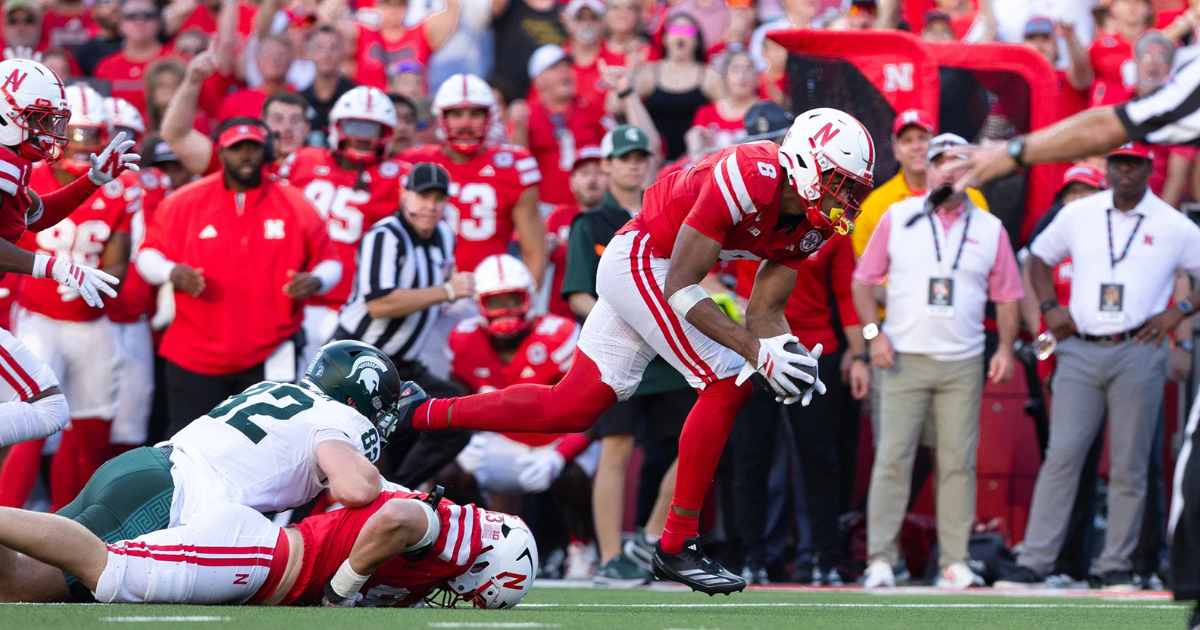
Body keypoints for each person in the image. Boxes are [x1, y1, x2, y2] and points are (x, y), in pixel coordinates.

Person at [405, 108, 876, 593]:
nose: (846, 196)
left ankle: (417, 412)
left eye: (853, 187)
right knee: (725, 384)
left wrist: (786, 355)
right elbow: (681, 286)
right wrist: (758, 354)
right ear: (801, 161)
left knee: (571, 406)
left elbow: (764, 315)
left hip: (658, 268)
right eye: (839, 180)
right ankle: (675, 545)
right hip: (644, 258)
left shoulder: (811, 225)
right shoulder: (748, 175)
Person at [0, 340, 428, 604]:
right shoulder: (340, 418)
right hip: (166, 496)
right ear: (357, 396)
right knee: (20, 587)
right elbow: (355, 488)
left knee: (16, 565)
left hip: (143, 470)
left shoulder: (279, 390)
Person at [995, 143, 1200, 591]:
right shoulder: (1080, 213)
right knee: (1062, 456)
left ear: (1150, 168)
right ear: (1108, 167)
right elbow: (1037, 258)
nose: (1125, 172)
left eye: (1134, 164)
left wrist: (1178, 310)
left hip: (1138, 349)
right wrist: (1050, 307)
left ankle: (1115, 566)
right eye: (1118, 163)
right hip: (1081, 348)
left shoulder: (1172, 223)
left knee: (1129, 464)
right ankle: (1034, 560)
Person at [852, 133, 1023, 590]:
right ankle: (881, 561)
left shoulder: (989, 226)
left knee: (957, 462)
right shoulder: (898, 215)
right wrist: (873, 337)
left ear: (972, 172)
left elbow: (1008, 295)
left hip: (962, 361)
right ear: (926, 170)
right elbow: (862, 281)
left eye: (959, 163)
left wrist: (1005, 348)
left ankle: (955, 561)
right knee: (892, 459)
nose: (949, 171)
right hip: (902, 357)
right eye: (940, 163)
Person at [0, 480, 535, 609]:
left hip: (260, 558)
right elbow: (399, 516)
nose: (460, 594)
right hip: (260, 558)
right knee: (105, 570)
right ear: (487, 564)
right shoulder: (448, 532)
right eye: (474, 589)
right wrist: (340, 591)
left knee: (18, 589)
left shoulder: (450, 536)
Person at [136, 119, 340, 434]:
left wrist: (316, 281)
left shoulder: (295, 203)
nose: (245, 156)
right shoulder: (185, 202)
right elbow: (148, 255)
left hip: (269, 352)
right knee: (191, 450)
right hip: (194, 355)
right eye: (236, 149)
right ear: (220, 151)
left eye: (253, 148)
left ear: (266, 151)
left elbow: (330, 262)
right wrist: (171, 272)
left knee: (270, 450)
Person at [557, 125, 691, 586]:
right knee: (615, 450)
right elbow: (577, 293)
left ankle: (653, 538)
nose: (634, 164)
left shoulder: (668, 216)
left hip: (668, 355)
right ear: (608, 165)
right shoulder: (590, 223)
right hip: (617, 354)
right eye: (625, 156)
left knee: (693, 444)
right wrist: (631, 324)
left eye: (641, 156)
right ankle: (611, 556)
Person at [0, 85, 137, 511]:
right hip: (41, 315)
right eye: (42, 118)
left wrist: (93, 180)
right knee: (46, 407)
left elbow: (36, 217)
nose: (53, 131)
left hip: (86, 326)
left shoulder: (13, 164)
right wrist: (55, 266)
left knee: (51, 409)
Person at [442, 254, 595, 576]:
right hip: (501, 441)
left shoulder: (561, 335)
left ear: (529, 296)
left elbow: (592, 411)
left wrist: (559, 454)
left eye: (512, 298)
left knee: (572, 476)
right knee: (449, 474)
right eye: (496, 301)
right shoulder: (463, 340)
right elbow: (456, 399)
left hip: (558, 439)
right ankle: (478, 548)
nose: (505, 309)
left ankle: (580, 547)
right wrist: (466, 439)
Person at [278, 85, 408, 372]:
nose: (362, 137)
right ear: (336, 124)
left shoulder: (396, 177)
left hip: (353, 307)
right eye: (356, 125)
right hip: (296, 298)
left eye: (372, 129)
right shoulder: (302, 161)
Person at [400, 74, 545, 279]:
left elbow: (534, 251)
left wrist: (525, 303)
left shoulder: (513, 166)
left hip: (490, 289)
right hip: (426, 289)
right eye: (456, 114)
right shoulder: (413, 163)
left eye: (475, 114)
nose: (466, 123)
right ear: (441, 118)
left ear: (490, 117)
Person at [854, 109, 989, 258]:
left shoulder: (971, 198)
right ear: (895, 151)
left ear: (936, 144)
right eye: (907, 141)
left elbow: (986, 254)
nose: (916, 146)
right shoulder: (874, 205)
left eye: (923, 138)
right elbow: (864, 266)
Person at [162, 52, 311, 178]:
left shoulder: (326, 162)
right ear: (262, 127)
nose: (286, 128)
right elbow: (176, 136)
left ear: (307, 128)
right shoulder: (239, 162)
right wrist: (192, 80)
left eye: (295, 120)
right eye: (277, 119)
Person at [520, 45, 613, 208]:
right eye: (555, 68)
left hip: (592, 206)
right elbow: (518, 163)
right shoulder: (525, 114)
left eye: (567, 67)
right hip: (544, 208)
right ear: (538, 79)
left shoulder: (591, 108)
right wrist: (519, 128)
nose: (565, 73)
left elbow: (616, 148)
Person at [631, 13, 718, 161]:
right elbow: (615, 107)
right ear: (664, 39)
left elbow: (728, 112)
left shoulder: (710, 77)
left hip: (696, 161)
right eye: (675, 30)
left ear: (697, 40)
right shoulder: (649, 74)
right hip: (655, 160)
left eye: (688, 31)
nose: (681, 36)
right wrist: (629, 73)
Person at [331, 0, 460, 91]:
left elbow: (453, 10)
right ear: (378, 5)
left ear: (407, 6)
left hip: (411, 113)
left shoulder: (420, 34)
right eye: (388, 3)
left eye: (400, 3)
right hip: (371, 112)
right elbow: (328, 21)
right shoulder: (362, 35)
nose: (394, 10)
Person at [545, 144, 607, 319]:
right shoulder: (557, 216)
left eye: (599, 172)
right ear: (572, 182)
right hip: (560, 317)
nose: (592, 179)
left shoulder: (618, 219)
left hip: (601, 316)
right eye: (585, 173)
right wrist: (544, 250)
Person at [91, 0, 165, 117]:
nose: (140, 21)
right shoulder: (106, 66)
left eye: (148, 15)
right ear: (121, 24)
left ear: (159, 22)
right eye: (131, 16)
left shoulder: (176, 61)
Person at [684, 50, 756, 160]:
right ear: (725, 76)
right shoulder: (706, 113)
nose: (742, 76)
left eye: (748, 68)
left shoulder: (767, 109)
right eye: (736, 69)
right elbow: (695, 153)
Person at [491, 0, 567, 98]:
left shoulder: (562, 12)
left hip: (547, 99)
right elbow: (495, 8)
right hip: (509, 96)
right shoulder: (511, 6)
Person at [1023, 17, 1091, 121]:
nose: (1039, 45)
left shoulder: (1067, 78)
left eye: (1045, 39)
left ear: (1056, 45)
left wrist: (1070, 38)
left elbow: (1082, 70)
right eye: (1032, 39)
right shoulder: (1018, 84)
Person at [299, 26, 356, 144]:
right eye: (320, 48)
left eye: (333, 47)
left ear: (343, 52)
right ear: (309, 52)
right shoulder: (300, 100)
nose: (326, 54)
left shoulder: (356, 96)